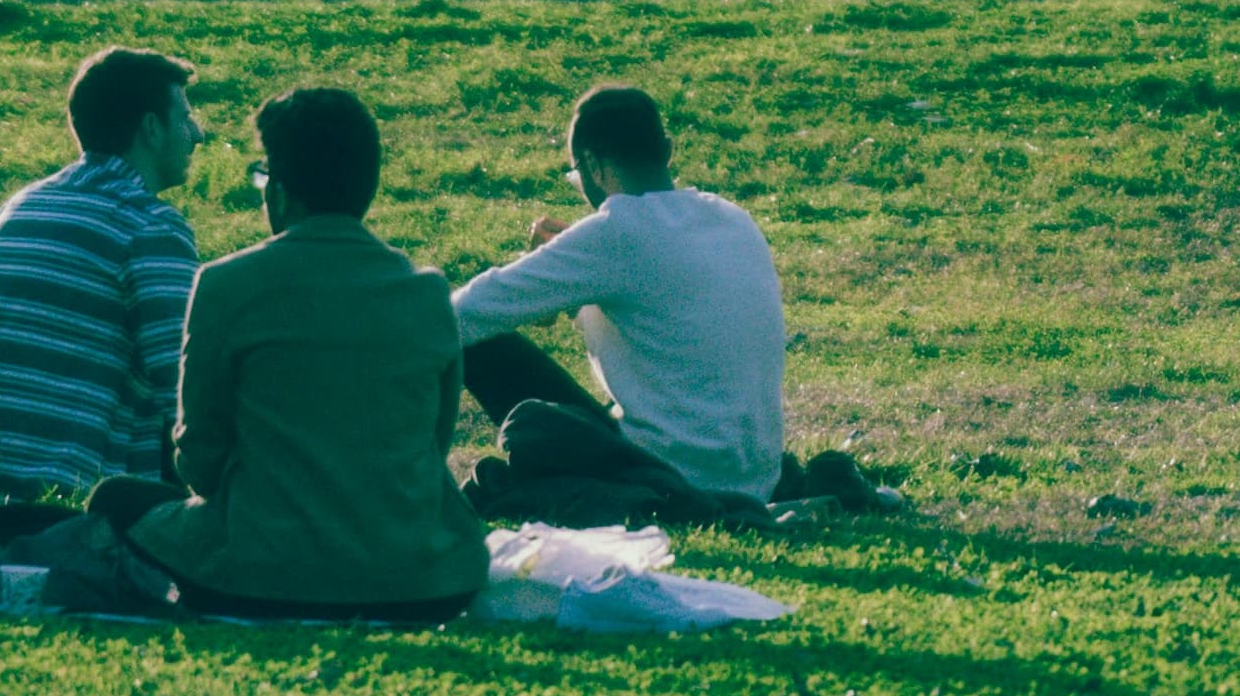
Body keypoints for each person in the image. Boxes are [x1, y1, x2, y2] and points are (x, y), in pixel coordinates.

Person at [109, 85, 488, 624]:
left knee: (115, 502)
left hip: (260, 579)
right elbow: (433, 442)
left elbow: (200, 461)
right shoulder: (426, 292)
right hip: (421, 582)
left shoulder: (224, 284)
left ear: (279, 191)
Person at [448, 83, 789, 521]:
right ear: (666, 150)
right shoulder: (731, 217)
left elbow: (466, 313)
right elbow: (655, 301)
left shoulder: (614, 232)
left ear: (592, 164)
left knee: (478, 346)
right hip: (755, 474)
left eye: (577, 176)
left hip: (668, 472)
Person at [0, 46, 202, 507]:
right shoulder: (146, 224)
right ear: (151, 127)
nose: (198, 133)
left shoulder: (22, 204)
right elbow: (190, 393)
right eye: (184, 116)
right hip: (70, 505)